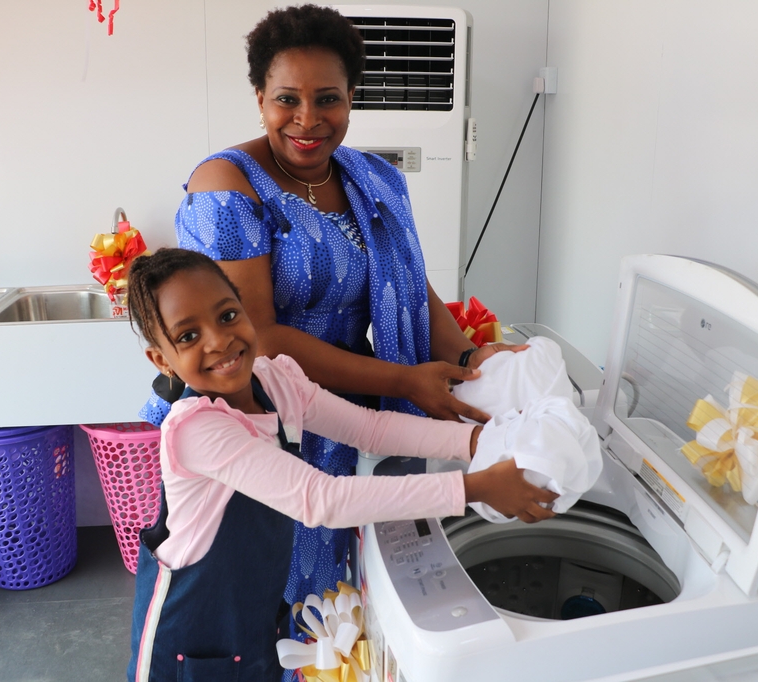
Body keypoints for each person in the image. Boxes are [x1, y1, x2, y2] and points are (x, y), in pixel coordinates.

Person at [140, 3, 526, 639]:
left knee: (342, 603)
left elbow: (407, 282)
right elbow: (255, 337)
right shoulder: (227, 187)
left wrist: (466, 358)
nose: (308, 120)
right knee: (268, 602)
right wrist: (405, 383)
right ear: (259, 95)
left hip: (345, 408)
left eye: (329, 99)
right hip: (259, 413)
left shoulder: (374, 176)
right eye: (286, 98)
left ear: (353, 98)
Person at [125, 248, 556, 682]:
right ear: (162, 360)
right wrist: (475, 488)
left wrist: (480, 440)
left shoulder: (275, 380)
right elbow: (321, 499)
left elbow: (371, 429)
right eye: (187, 337)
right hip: (185, 645)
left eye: (226, 315)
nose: (218, 341)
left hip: (250, 623)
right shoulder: (197, 428)